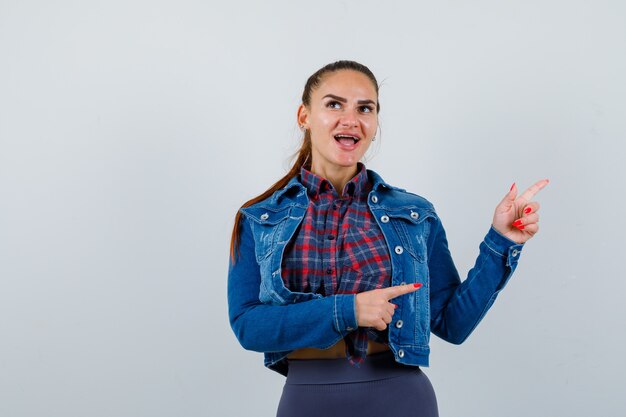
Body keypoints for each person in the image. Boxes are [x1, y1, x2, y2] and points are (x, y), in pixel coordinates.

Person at [227, 60, 548, 417]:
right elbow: (247, 326)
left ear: (375, 124)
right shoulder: (259, 217)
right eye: (334, 104)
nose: (351, 119)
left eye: (365, 108)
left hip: (400, 398)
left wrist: (501, 241)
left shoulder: (413, 214)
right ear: (304, 116)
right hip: (307, 400)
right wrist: (349, 310)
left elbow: (452, 325)